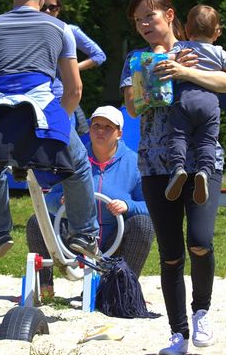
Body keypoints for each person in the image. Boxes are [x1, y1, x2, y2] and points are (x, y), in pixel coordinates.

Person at [121, 0, 226, 354]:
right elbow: (134, 108)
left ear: (170, 15)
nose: (143, 24)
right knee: (171, 254)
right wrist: (156, 75)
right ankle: (178, 333)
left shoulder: (196, 50)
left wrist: (186, 72)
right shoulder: (136, 59)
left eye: (149, 16)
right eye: (138, 20)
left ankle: (202, 312)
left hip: (202, 162)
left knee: (200, 242)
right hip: (156, 165)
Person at [0, 0, 98, 262]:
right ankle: (84, 233)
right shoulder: (60, 28)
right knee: (78, 163)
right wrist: (59, 122)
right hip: (41, 112)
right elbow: (74, 90)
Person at [26, 105, 154, 300]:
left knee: (143, 224)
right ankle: (45, 288)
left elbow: (150, 206)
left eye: (107, 127)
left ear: (119, 133)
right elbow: (48, 199)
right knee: (37, 222)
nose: (100, 131)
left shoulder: (134, 163)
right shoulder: (73, 159)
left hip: (115, 238)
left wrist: (128, 206)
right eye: (96, 125)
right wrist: (60, 201)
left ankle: (124, 290)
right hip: (75, 238)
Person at [162, 5, 226, 205]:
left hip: (184, 98)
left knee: (178, 135)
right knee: (207, 141)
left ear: (187, 31)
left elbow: (164, 60)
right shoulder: (219, 51)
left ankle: (177, 169)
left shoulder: (181, 47)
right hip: (209, 102)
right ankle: (205, 172)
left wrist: (172, 59)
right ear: (217, 33)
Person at [42, 0, 107, 135]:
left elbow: (99, 55)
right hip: (36, 99)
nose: (47, 11)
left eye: (52, 7)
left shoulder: (68, 30)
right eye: (43, 7)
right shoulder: (29, 30)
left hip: (61, 100)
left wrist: (72, 68)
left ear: (59, 9)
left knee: (64, 148)